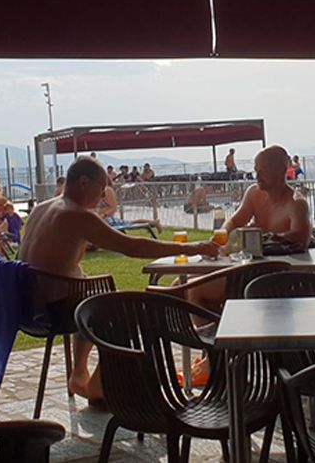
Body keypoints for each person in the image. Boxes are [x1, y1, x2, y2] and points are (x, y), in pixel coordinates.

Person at [19, 156, 218, 402]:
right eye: (102, 189)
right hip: (55, 311)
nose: (103, 196)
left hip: (29, 307)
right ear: (84, 182)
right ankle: (100, 387)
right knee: (128, 316)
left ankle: (80, 373)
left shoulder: (42, 208)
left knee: (97, 301)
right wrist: (192, 247)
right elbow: (133, 247)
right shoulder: (77, 215)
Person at [187, 145, 311, 314]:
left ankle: (214, 330)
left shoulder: (296, 203)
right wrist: (221, 236)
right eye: (256, 170)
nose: (257, 176)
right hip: (243, 267)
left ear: (282, 170)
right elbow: (235, 221)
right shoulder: (254, 193)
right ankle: (215, 326)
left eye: (263, 170)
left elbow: (301, 238)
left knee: (193, 290)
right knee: (179, 284)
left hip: (269, 278)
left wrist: (265, 238)